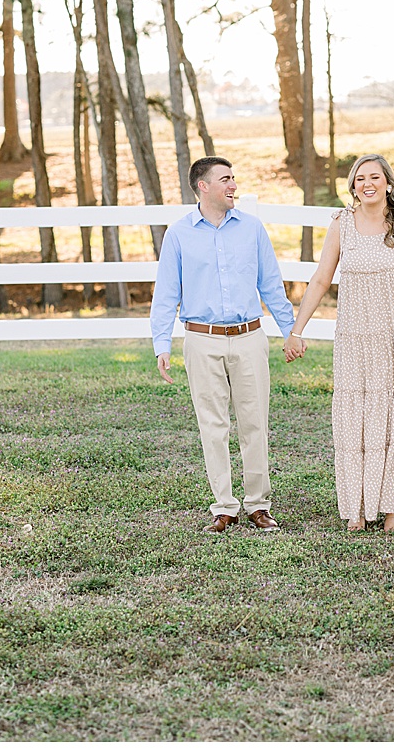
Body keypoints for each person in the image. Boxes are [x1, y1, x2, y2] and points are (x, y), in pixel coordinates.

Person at [286, 154, 394, 532]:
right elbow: (320, 280)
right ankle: (357, 508)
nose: (367, 184)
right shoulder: (341, 224)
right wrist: (297, 330)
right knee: (357, 422)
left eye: (374, 177)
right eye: (360, 179)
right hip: (356, 340)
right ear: (353, 186)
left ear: (388, 182)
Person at [151, 155, 299, 534]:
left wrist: (291, 330)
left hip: (249, 338)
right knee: (212, 426)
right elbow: (166, 293)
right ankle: (224, 507)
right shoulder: (179, 234)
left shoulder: (251, 228)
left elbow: (271, 284)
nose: (234, 185)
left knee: (255, 424)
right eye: (225, 179)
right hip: (202, 340)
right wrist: (161, 343)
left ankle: (258, 505)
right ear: (203, 186)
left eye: (234, 178)